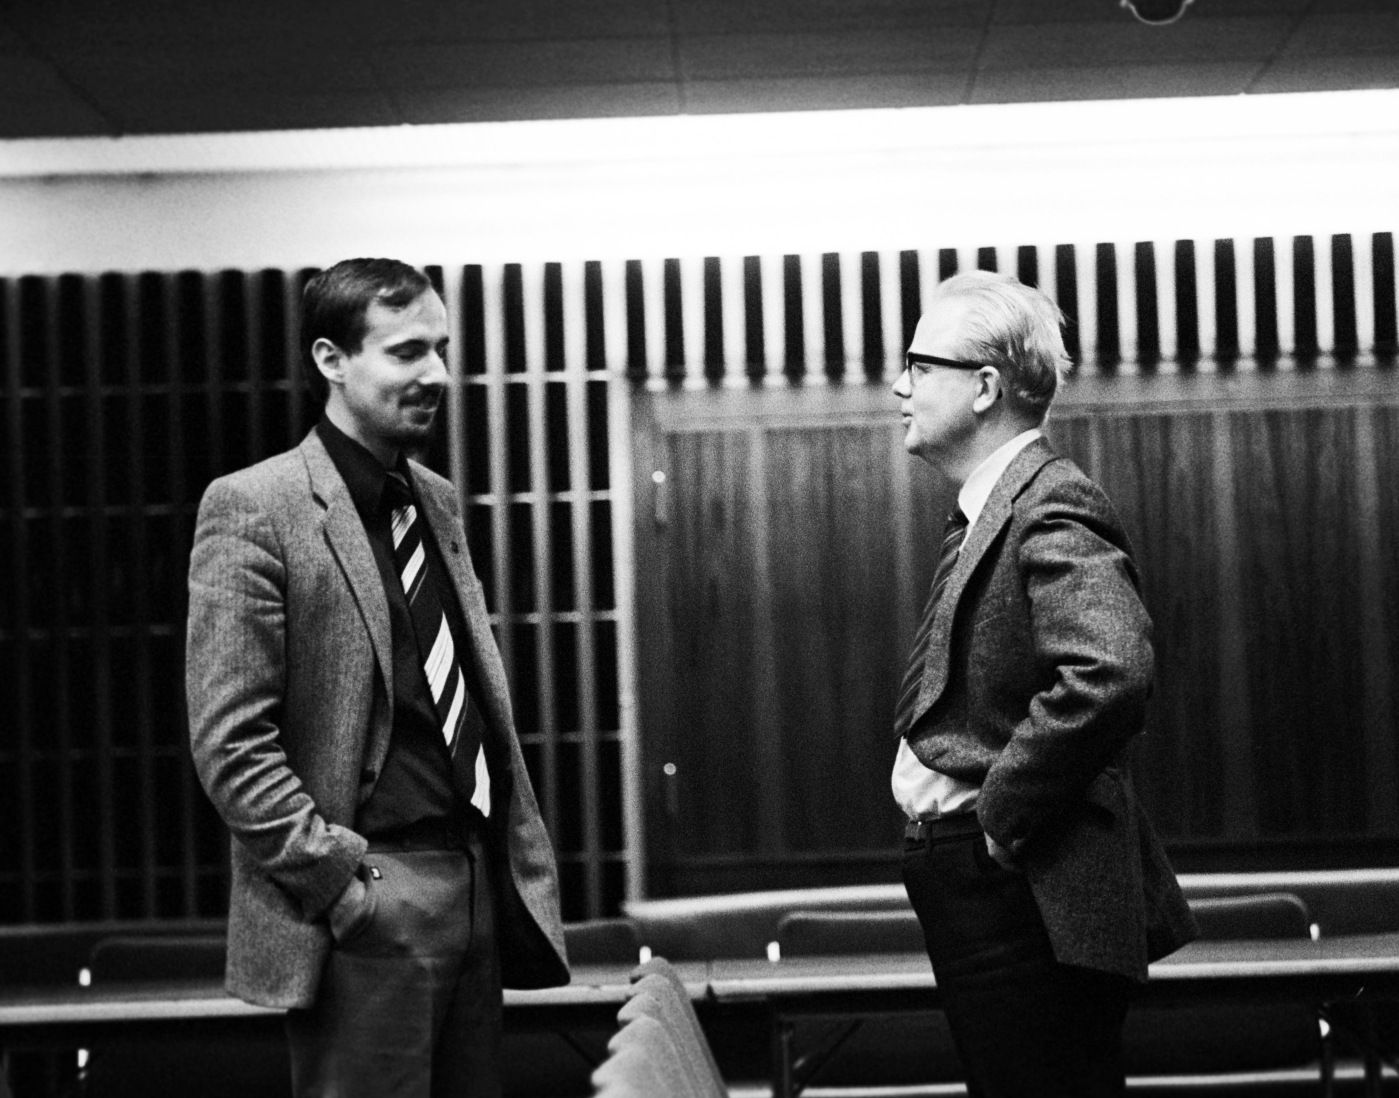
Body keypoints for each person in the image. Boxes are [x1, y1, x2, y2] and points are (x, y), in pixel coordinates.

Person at [187, 257, 568, 1098]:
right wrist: (339, 884)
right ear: (331, 359)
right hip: (370, 893)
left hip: (473, 883)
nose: (436, 375)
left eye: (441, 349)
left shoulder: (433, 499)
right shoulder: (255, 506)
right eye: (405, 352)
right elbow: (229, 742)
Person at [891, 270, 1196, 1097]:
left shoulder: (1049, 499)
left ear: (984, 387)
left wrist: (1001, 813)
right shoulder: (997, 505)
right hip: (1000, 885)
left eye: (919, 365)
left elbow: (1109, 670)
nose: (900, 386)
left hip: (1024, 886)